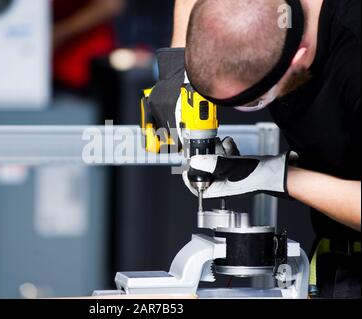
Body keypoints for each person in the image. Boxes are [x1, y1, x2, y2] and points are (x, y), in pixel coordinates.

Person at [147, 0, 360, 298]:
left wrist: (279, 176)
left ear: (298, 57)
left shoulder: (352, 59)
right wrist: (176, 68)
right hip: (331, 253)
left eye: (253, 103)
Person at [52, 0, 125, 90]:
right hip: (46, 72)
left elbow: (112, 4)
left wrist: (60, 32)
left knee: (144, 95)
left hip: (87, 68)